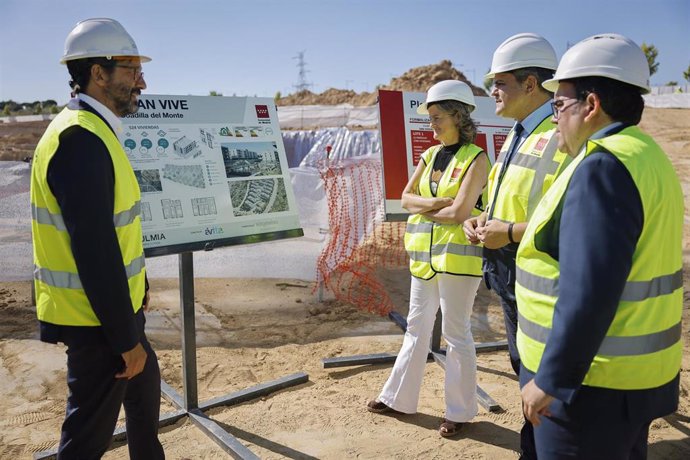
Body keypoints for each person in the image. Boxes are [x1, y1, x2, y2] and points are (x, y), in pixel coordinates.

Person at [517, 33, 683, 459]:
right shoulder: (645, 154)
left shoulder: (601, 167)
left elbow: (589, 290)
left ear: (590, 105)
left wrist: (552, 378)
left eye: (559, 104)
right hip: (630, 383)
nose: (554, 117)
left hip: (587, 391)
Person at [30, 18, 164, 459]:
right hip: (98, 324)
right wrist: (125, 339)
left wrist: (138, 292)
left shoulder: (95, 129)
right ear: (98, 73)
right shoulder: (79, 140)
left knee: (145, 405)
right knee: (87, 439)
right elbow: (94, 248)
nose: (141, 80)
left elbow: (113, 233)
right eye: (130, 69)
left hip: (115, 312)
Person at [462, 32, 571, 459]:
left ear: (531, 84)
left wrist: (507, 232)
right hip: (507, 269)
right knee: (521, 364)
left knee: (542, 372)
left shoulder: (561, 136)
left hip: (540, 274)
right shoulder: (517, 132)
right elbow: (506, 194)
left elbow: (566, 218)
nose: (492, 92)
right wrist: (483, 218)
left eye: (501, 82)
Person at [367, 80, 489, 438]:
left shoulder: (477, 158)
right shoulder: (430, 155)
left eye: (437, 117)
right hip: (425, 261)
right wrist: (437, 204)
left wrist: (430, 208)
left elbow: (460, 211)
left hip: (458, 263)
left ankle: (460, 411)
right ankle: (397, 398)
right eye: (430, 118)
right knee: (416, 328)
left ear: (457, 115)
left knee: (456, 334)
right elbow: (406, 198)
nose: (431, 124)